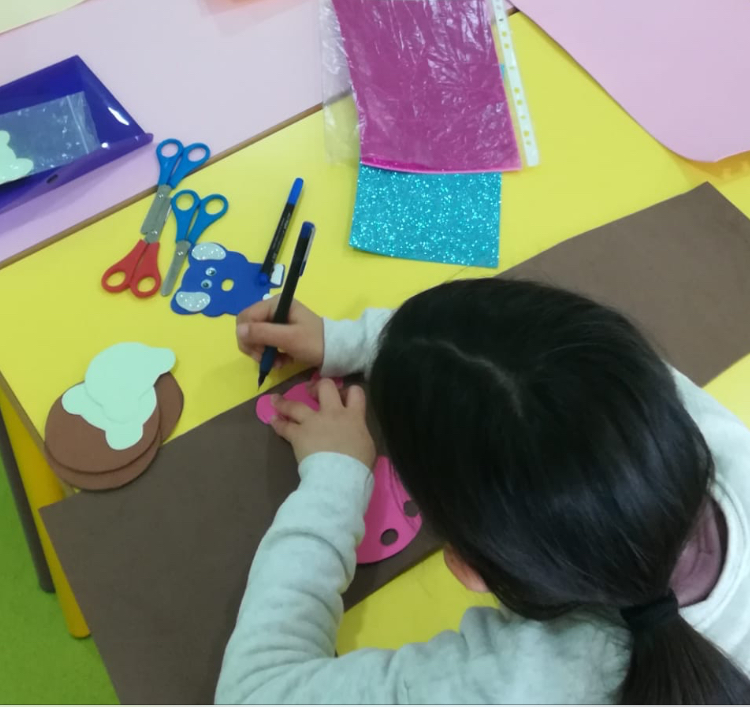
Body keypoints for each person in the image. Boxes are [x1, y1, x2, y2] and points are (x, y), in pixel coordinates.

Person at [215, 278, 750, 704]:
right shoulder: (691, 427)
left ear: (467, 569)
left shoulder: (524, 682)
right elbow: (553, 376)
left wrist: (335, 479)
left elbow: (254, 692)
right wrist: (360, 341)